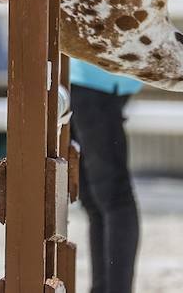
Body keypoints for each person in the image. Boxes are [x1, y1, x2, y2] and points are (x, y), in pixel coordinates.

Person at [69, 59, 142, 293]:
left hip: (93, 77)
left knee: (113, 196)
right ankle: (102, 288)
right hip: (80, 77)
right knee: (94, 198)